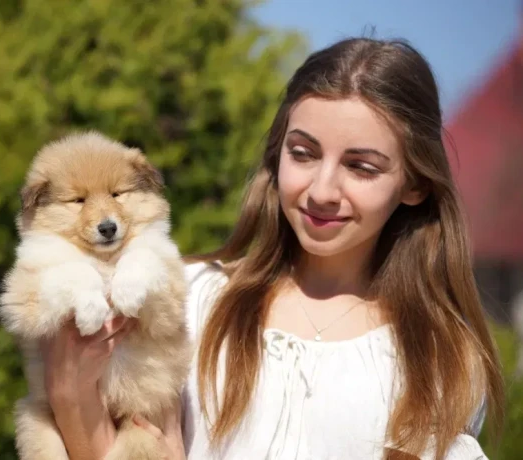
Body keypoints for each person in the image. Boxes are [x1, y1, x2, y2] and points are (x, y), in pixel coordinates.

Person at [40, 37, 505, 460]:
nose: (322, 190)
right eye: (302, 153)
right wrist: (68, 396)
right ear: (277, 153)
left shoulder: (440, 356)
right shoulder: (193, 299)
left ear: (415, 183)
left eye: (361, 166)